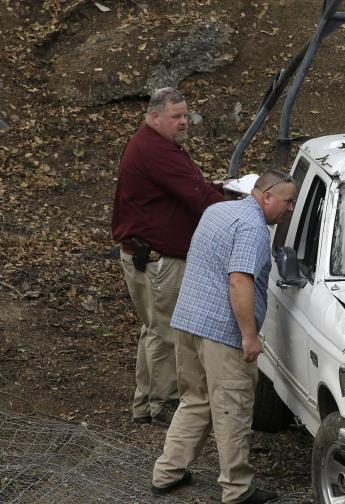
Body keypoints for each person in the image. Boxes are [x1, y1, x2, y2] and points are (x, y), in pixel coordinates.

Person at [151, 171, 298, 504]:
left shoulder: (217, 211)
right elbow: (239, 282)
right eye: (288, 201)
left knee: (195, 399)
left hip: (189, 321)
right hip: (222, 332)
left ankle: (167, 473)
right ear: (267, 196)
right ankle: (237, 489)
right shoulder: (253, 230)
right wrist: (249, 335)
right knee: (232, 408)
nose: (290, 209)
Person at [112, 87, 228, 426]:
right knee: (166, 332)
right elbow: (197, 196)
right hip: (158, 262)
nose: (183, 122)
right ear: (154, 117)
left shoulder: (155, 145)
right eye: (175, 116)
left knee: (153, 329)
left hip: (145, 256)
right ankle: (162, 404)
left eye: (185, 115)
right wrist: (242, 207)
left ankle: (144, 403)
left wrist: (218, 189)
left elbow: (189, 189)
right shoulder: (156, 151)